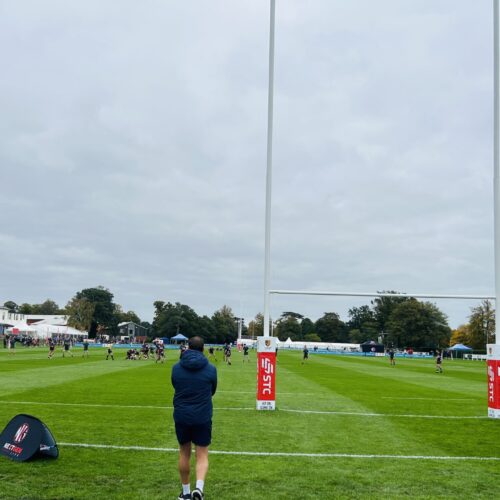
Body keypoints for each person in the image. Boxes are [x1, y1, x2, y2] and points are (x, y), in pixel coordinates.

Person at [172, 336, 217, 500]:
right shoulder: (211, 369)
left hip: (182, 415)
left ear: (188, 347)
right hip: (202, 415)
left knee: (184, 453)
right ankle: (199, 488)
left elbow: (175, 385)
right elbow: (212, 391)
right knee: (202, 454)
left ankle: (185, 493)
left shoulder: (176, 368)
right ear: (203, 349)